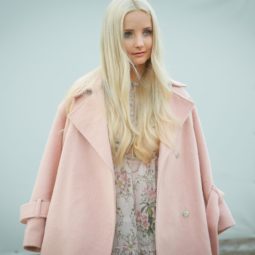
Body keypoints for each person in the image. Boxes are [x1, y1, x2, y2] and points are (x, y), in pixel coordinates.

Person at [19, 0, 235, 254]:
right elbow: (51, 169)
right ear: (112, 37)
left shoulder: (175, 99)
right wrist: (36, 226)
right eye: (128, 34)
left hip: (162, 227)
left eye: (147, 31)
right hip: (102, 228)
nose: (140, 43)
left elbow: (198, 168)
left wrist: (214, 215)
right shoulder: (81, 99)